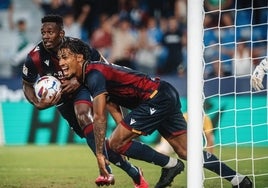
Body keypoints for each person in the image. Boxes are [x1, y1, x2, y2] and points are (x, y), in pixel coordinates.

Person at [57, 38, 253, 188]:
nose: (61, 62)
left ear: (79, 57)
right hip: (164, 93)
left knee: (113, 143)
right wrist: (122, 131)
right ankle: (239, 180)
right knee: (186, 151)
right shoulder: (90, 76)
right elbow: (111, 103)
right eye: (59, 58)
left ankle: (169, 165)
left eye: (65, 57)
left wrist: (101, 154)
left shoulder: (94, 74)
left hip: (155, 97)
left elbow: (99, 117)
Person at [21, 14, 148, 188]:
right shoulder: (34, 57)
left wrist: (78, 80)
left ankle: (106, 172)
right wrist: (37, 102)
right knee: (94, 139)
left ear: (61, 33)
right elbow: (27, 83)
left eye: (50, 32)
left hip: (82, 88)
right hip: (62, 99)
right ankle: (134, 172)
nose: (45, 36)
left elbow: (104, 70)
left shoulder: (79, 48)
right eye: (43, 32)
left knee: (84, 116)